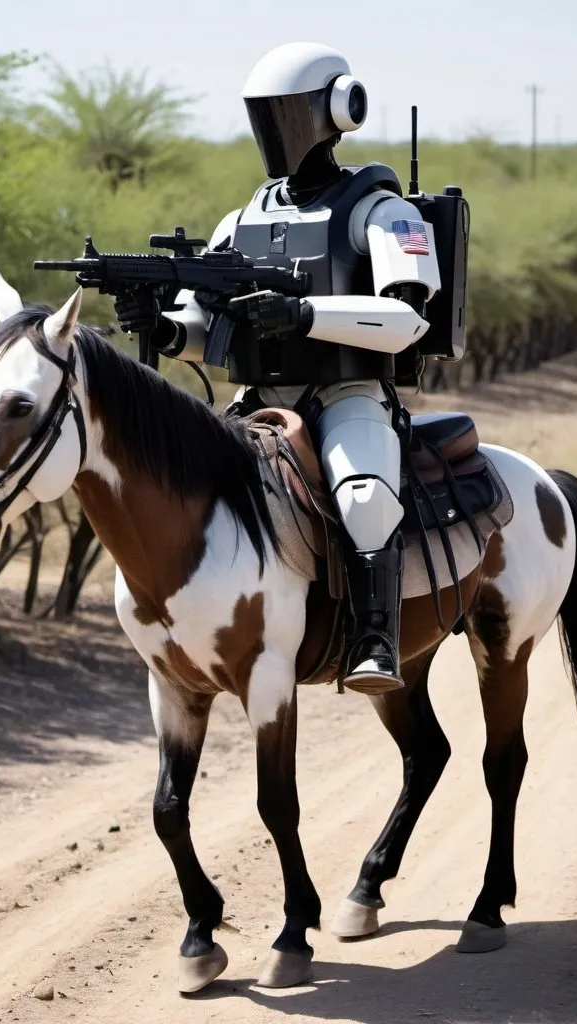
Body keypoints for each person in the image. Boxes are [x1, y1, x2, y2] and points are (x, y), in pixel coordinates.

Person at [113, 41, 443, 695]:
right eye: (267, 116)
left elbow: (408, 320)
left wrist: (303, 316)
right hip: (258, 400)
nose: (278, 131)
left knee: (365, 496)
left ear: (339, 112)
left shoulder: (384, 212)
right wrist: (166, 328)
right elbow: (203, 329)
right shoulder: (240, 221)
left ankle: (373, 640)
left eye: (290, 114)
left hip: (347, 394)